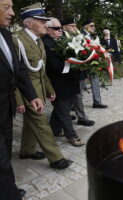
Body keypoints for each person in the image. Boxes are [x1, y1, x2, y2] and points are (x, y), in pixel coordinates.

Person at [13, 3, 73, 170]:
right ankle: (56, 158)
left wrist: (49, 89)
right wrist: (18, 99)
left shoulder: (38, 41)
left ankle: (26, 150)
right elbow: (15, 74)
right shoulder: (17, 41)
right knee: (41, 122)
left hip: (38, 89)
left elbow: (41, 70)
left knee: (31, 121)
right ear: (29, 23)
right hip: (26, 91)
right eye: (42, 21)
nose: (46, 24)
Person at [0, 0, 44, 199]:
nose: (12, 12)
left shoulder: (6, 34)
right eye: (6, 7)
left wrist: (31, 95)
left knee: (6, 152)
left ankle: (6, 187)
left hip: (5, 109)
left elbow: (18, 69)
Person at [43, 17, 85, 146]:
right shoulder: (45, 43)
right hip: (57, 82)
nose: (60, 30)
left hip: (69, 80)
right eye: (56, 28)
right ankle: (71, 136)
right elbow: (53, 66)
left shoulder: (62, 40)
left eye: (60, 28)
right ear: (48, 29)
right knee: (63, 108)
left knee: (61, 108)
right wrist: (71, 62)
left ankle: (54, 129)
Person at [61, 17, 95, 126]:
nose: (75, 28)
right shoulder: (62, 38)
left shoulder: (77, 36)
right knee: (76, 95)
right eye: (73, 26)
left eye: (75, 26)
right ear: (64, 27)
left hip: (78, 71)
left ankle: (68, 114)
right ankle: (82, 117)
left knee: (76, 94)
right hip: (69, 72)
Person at [81, 19, 108, 108]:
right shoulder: (80, 34)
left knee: (95, 80)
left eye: (93, 26)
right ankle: (77, 104)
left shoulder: (93, 35)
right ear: (85, 26)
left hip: (93, 61)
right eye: (91, 25)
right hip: (82, 62)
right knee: (81, 83)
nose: (93, 27)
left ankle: (97, 102)